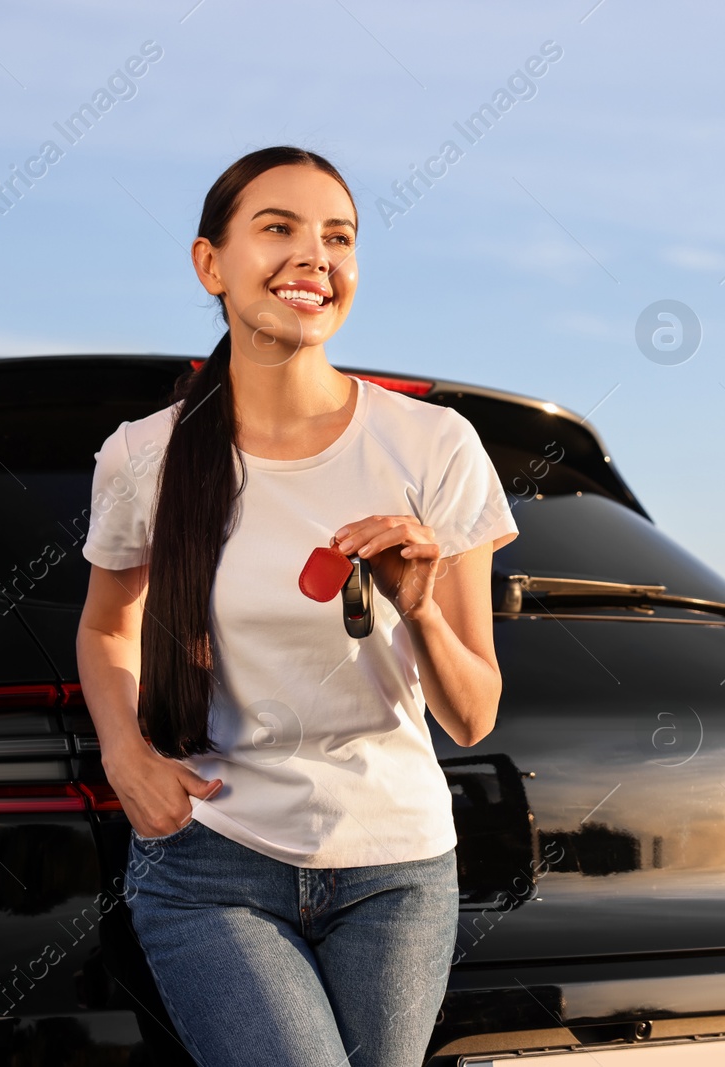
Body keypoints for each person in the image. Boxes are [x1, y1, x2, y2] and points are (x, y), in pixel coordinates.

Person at [75, 146, 518, 1067]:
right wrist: (125, 751)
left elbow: (472, 714)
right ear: (210, 264)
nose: (314, 256)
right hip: (213, 864)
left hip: (397, 871)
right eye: (277, 228)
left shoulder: (434, 447)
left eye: (338, 237)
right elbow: (108, 624)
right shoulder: (144, 456)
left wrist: (419, 607)